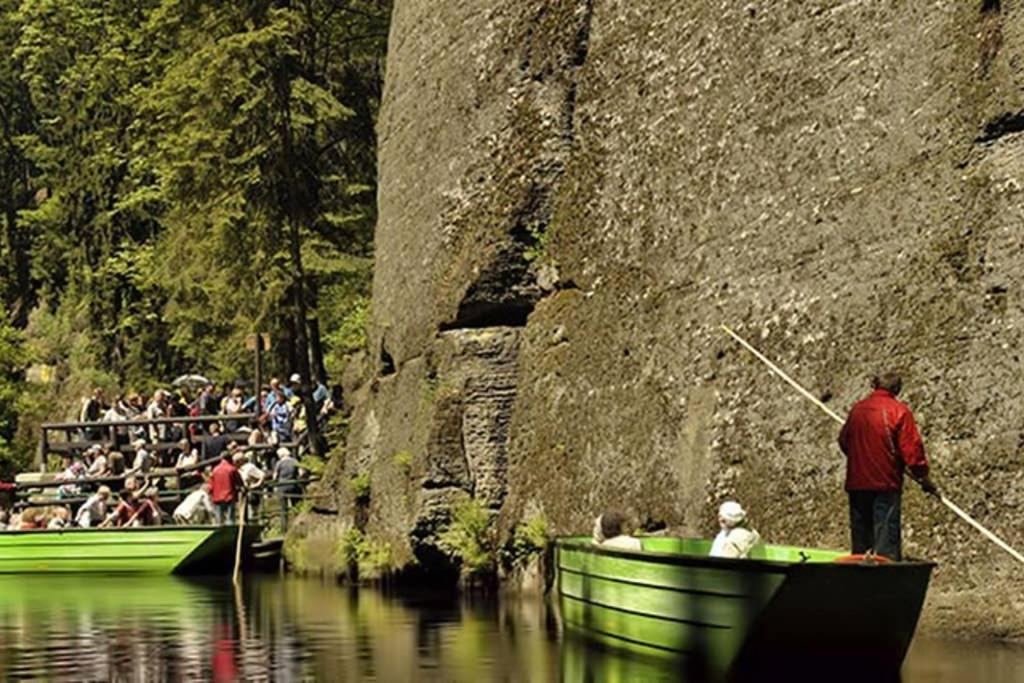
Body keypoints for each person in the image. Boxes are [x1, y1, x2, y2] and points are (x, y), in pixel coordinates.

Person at [838, 373, 939, 561]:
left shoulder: (857, 410)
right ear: (896, 389)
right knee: (886, 546)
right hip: (885, 483)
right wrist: (925, 479)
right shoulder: (899, 411)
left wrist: (862, 459)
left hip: (857, 484)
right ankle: (887, 585)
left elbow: (844, 441)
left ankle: (860, 583)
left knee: (861, 546)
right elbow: (913, 452)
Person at [209, 453, 243, 526]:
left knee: (219, 520)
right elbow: (240, 482)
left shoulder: (215, 469)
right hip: (229, 496)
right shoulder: (232, 469)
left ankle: (219, 535)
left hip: (217, 497)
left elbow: (211, 485)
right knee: (230, 519)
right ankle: (230, 535)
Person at [273, 447, 301, 531]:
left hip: (282, 486)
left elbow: (275, 476)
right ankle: (298, 524)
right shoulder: (294, 461)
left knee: (283, 507)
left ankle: (284, 527)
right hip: (293, 484)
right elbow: (301, 472)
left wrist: (276, 481)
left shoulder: (279, 463)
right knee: (296, 505)